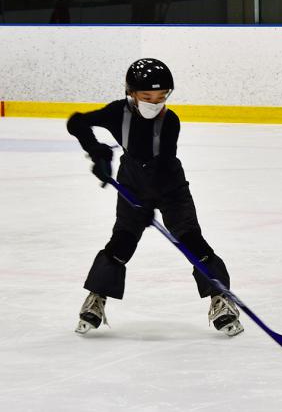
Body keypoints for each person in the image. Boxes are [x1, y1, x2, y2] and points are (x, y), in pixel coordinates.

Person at [67, 58, 242, 337]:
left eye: (161, 97)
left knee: (189, 239)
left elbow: (162, 165)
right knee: (122, 240)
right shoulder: (116, 113)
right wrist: (97, 151)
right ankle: (97, 297)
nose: (154, 102)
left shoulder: (170, 121)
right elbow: (76, 123)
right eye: (147, 96)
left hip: (169, 183)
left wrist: (147, 204)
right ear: (131, 94)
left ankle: (221, 298)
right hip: (132, 181)